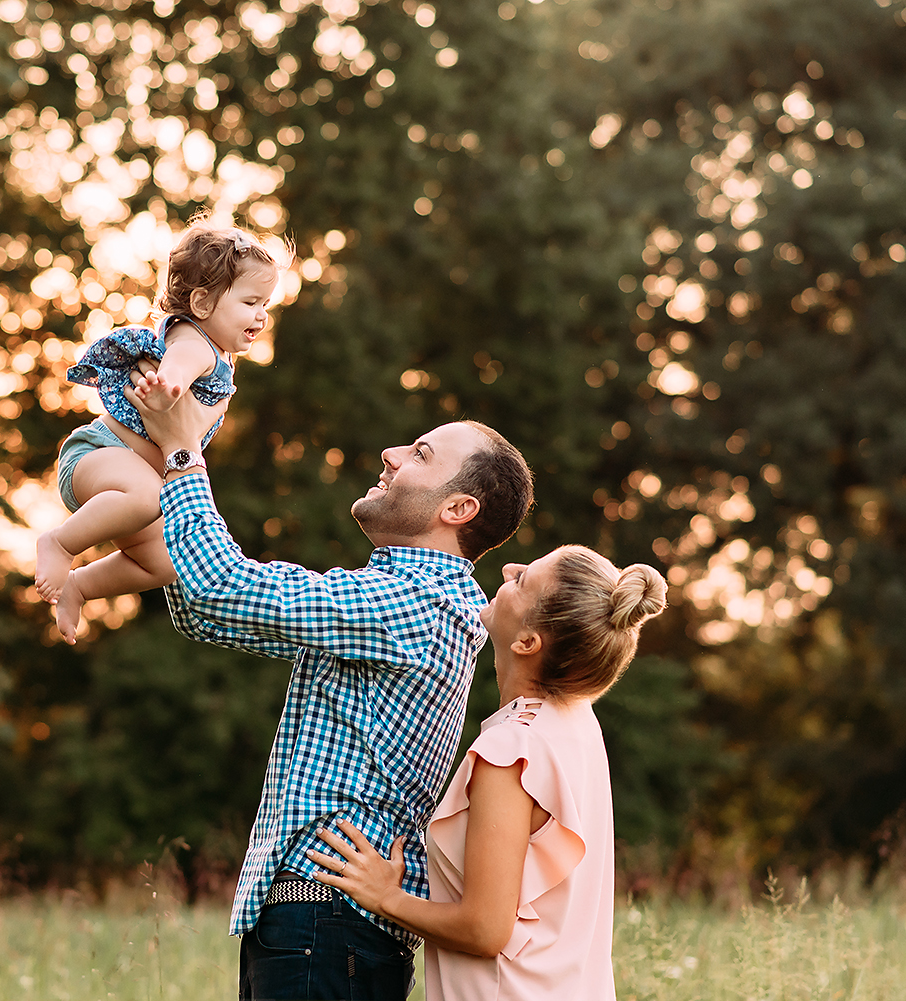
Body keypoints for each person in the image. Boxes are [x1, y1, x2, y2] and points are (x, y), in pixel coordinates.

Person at [123, 374, 535, 1001]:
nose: (391, 455)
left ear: (457, 510)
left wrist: (183, 455)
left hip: (326, 919)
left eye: (420, 454)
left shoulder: (415, 602)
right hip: (323, 924)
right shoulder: (394, 598)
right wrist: (144, 493)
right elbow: (206, 612)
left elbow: (222, 587)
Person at [306, 546, 667, 1001]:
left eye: (522, 581)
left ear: (527, 642)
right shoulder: (578, 726)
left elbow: (484, 929)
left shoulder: (511, 749)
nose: (508, 569)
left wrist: (386, 898)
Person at [37, 221, 282, 644]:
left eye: (266, 303)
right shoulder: (196, 343)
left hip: (130, 478)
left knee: (167, 564)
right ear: (202, 302)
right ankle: (59, 544)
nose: (262, 314)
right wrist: (169, 386)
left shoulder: (215, 350)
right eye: (250, 302)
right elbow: (178, 367)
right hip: (99, 453)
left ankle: (80, 586)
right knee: (147, 498)